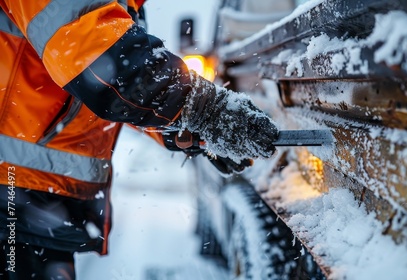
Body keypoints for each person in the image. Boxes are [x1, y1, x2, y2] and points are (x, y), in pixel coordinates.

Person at [0, 1, 278, 279]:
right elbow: (98, 55)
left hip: (37, 196)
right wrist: (204, 110)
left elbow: (123, 96)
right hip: (12, 190)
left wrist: (187, 130)